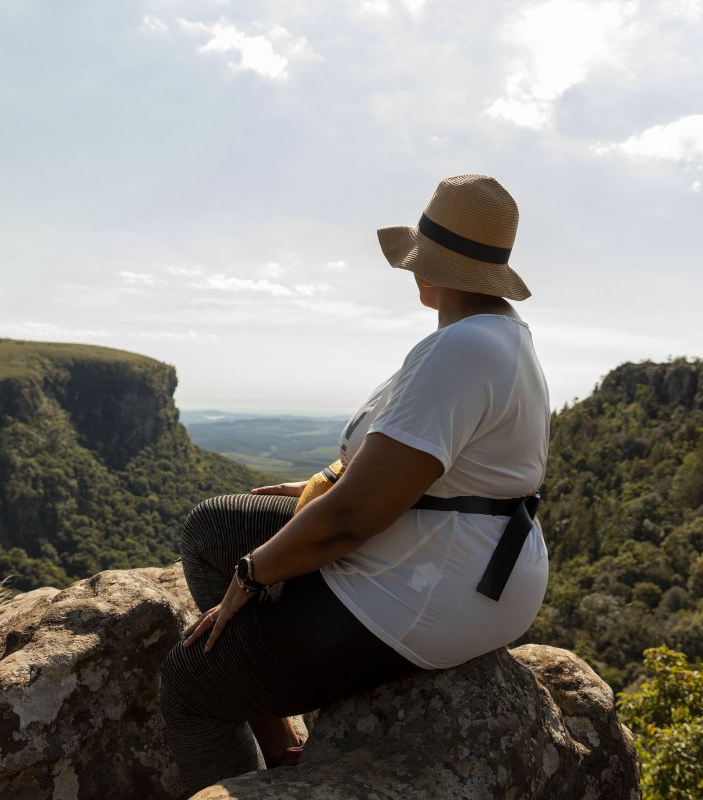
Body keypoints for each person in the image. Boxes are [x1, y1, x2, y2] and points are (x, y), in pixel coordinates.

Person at [158, 174, 551, 794]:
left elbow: (351, 520)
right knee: (216, 526)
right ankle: (280, 745)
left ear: (431, 264)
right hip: (450, 556)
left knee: (189, 682)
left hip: (432, 586)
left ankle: (246, 757)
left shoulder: (461, 350)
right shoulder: (496, 335)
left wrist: (251, 576)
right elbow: (412, 465)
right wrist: (322, 483)